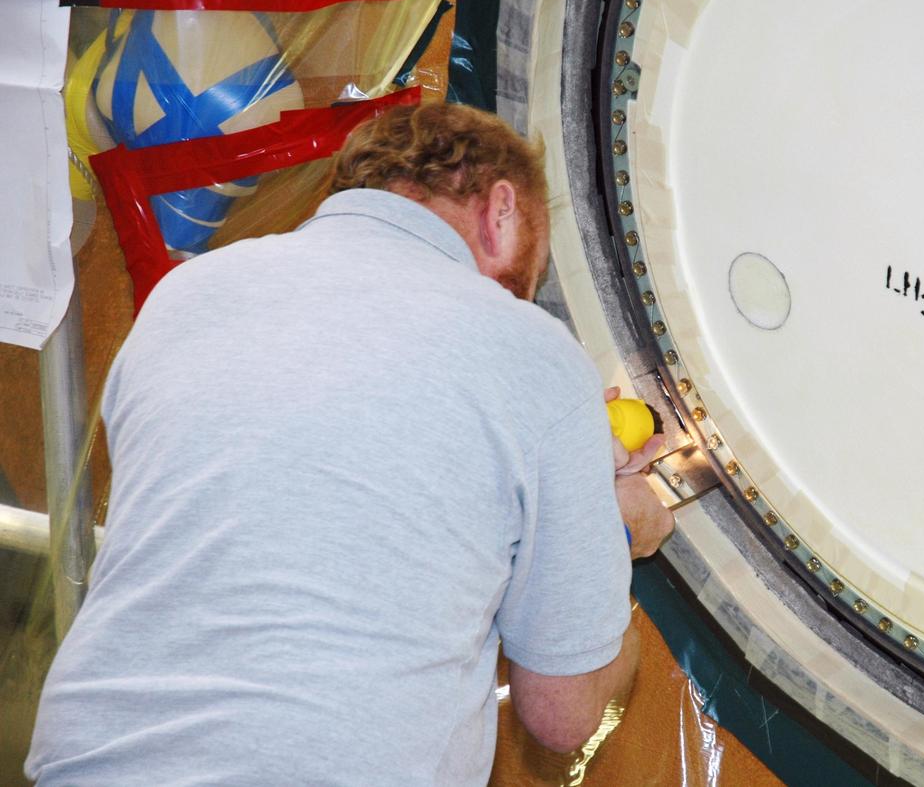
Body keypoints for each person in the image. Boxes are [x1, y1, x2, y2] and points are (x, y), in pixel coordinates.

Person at [25, 102, 675, 785]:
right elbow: (562, 714)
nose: (512, 302)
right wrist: (604, 531)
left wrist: (555, 471)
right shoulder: (537, 355)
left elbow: (292, 494)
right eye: (519, 282)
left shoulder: (185, 296)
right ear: (501, 209)